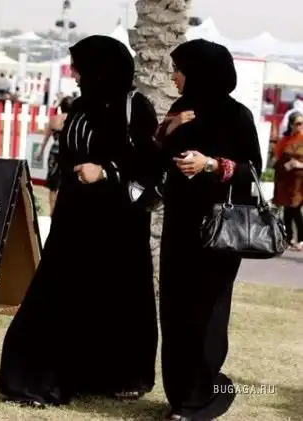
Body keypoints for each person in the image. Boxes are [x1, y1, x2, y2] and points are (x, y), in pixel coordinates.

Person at [0, 35, 160, 407]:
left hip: (116, 225)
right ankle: (37, 379)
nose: (74, 74)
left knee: (114, 298)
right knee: (58, 294)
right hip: (75, 219)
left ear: (101, 69)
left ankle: (116, 375)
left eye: (80, 67)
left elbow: (149, 164)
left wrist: (105, 172)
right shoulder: (83, 106)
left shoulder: (134, 107)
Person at [156, 39, 263, 421]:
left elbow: (252, 170)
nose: (174, 76)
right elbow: (155, 161)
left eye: (179, 69)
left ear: (200, 72)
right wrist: (167, 131)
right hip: (179, 227)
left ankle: (199, 398)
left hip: (219, 232)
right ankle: (179, 395)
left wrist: (211, 165)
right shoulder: (180, 111)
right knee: (174, 309)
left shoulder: (236, 115)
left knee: (206, 312)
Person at [34, 96, 73, 214]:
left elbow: (45, 139)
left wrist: (40, 153)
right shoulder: (74, 119)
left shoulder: (54, 119)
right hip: (69, 154)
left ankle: (52, 212)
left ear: (61, 107)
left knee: (53, 185)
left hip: (54, 153)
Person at [273, 111, 303, 250]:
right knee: (287, 209)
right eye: (298, 123)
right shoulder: (285, 140)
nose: (301, 126)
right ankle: (289, 238)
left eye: (302, 123)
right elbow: (277, 158)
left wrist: (298, 164)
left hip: (300, 182)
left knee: (296, 208)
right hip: (286, 180)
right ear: (291, 125)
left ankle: (301, 239)